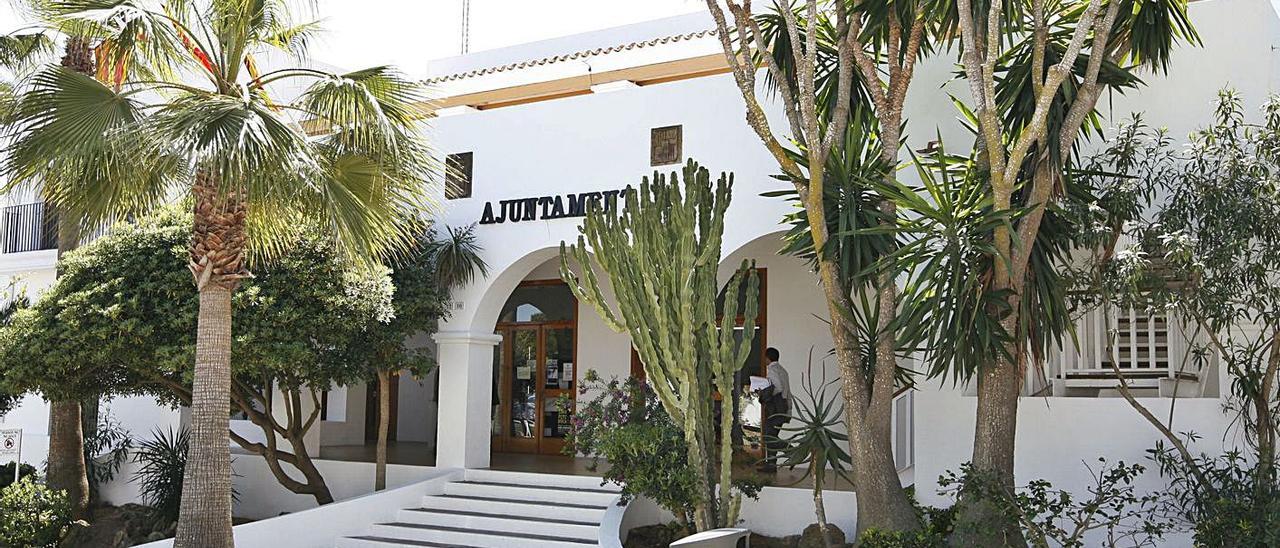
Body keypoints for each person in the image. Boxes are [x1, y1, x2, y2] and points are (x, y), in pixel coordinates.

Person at [759, 347, 791, 472]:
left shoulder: (772, 370)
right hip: (783, 407)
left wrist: (766, 393)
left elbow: (778, 387)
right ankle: (771, 465)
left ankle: (792, 452)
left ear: (767, 358)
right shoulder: (783, 370)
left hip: (775, 409)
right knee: (772, 436)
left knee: (768, 437)